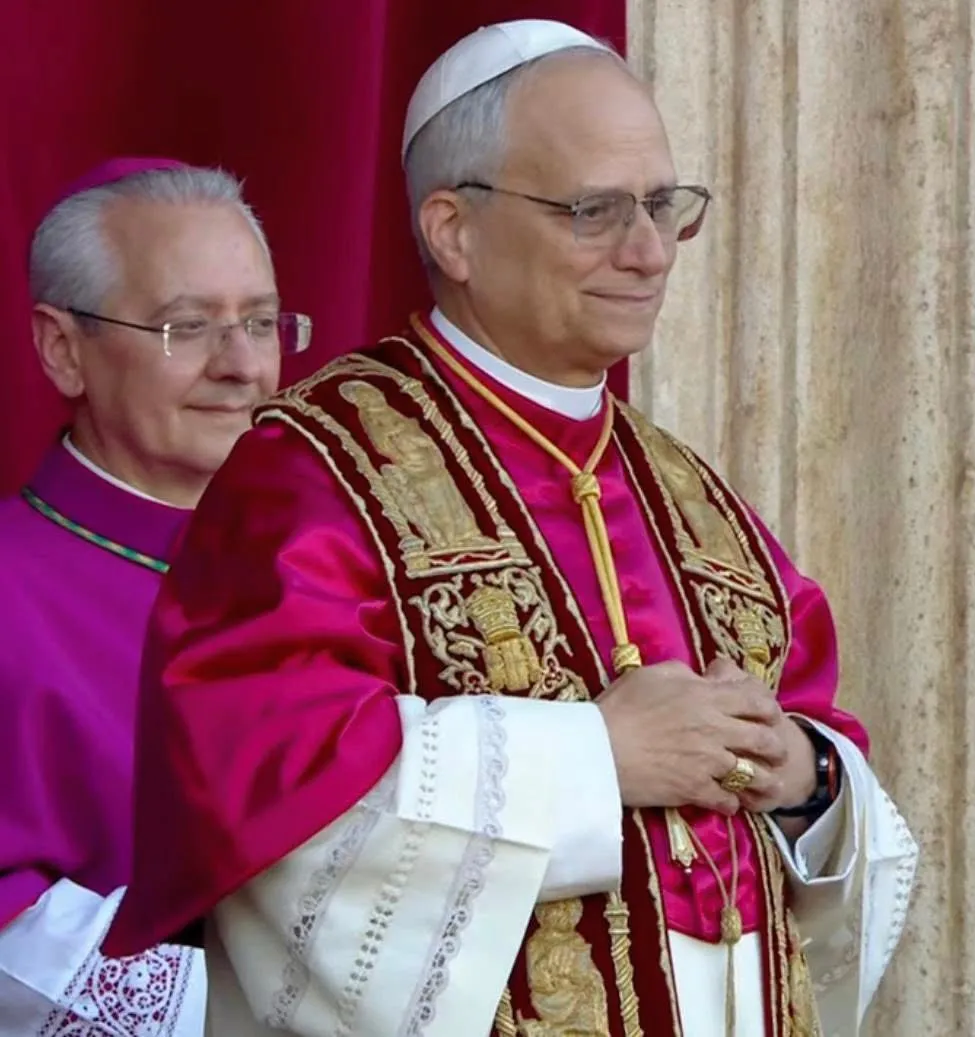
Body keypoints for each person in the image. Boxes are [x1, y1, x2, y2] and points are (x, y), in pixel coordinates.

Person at [105, 21, 918, 1037]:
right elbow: (269, 807)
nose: (650, 251)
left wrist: (807, 777)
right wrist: (596, 756)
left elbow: (822, 755)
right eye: (595, 212)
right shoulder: (314, 474)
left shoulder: (696, 498)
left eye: (665, 207)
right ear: (453, 230)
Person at [0, 157, 311, 1036]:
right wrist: (247, 1006)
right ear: (63, 348)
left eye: (261, 321)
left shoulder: (347, 565)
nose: (243, 365)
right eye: (188, 328)